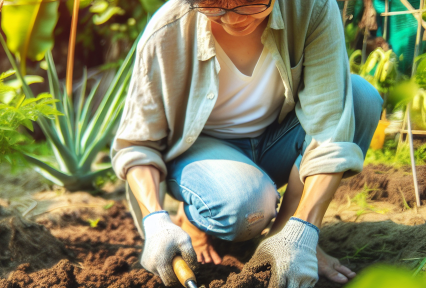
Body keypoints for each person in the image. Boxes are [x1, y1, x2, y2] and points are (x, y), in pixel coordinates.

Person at [111, 0, 382, 286]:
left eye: (248, 3)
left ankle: (283, 233)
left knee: (361, 98)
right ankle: (195, 216)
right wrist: (155, 220)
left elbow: (329, 131)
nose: (231, 19)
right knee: (248, 207)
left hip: (278, 138)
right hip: (200, 151)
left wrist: (301, 232)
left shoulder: (311, 8)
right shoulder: (167, 31)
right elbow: (137, 146)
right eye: (214, 6)